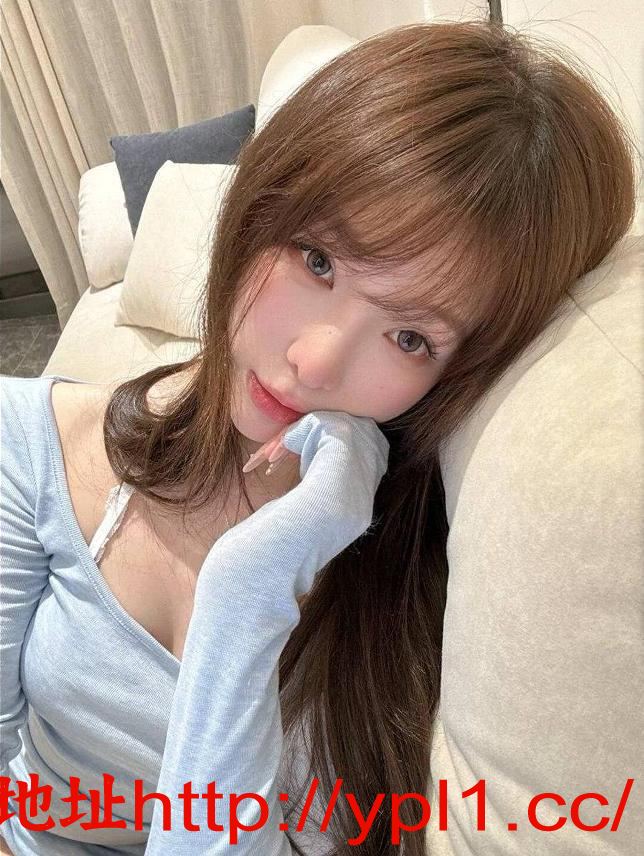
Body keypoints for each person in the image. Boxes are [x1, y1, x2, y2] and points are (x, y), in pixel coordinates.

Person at [0, 17, 638, 856]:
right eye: (317, 260)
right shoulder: (30, 440)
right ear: (259, 208)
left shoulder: (434, 570)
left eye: (409, 337)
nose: (313, 363)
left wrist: (247, 590)